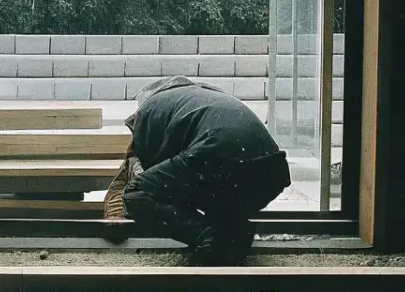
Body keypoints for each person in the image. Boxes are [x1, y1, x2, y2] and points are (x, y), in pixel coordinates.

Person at [112, 76, 290, 265]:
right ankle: (236, 232)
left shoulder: (151, 108)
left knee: (136, 194)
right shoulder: (206, 97)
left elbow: (155, 178)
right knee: (209, 186)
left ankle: (206, 236)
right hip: (271, 173)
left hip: (216, 159)